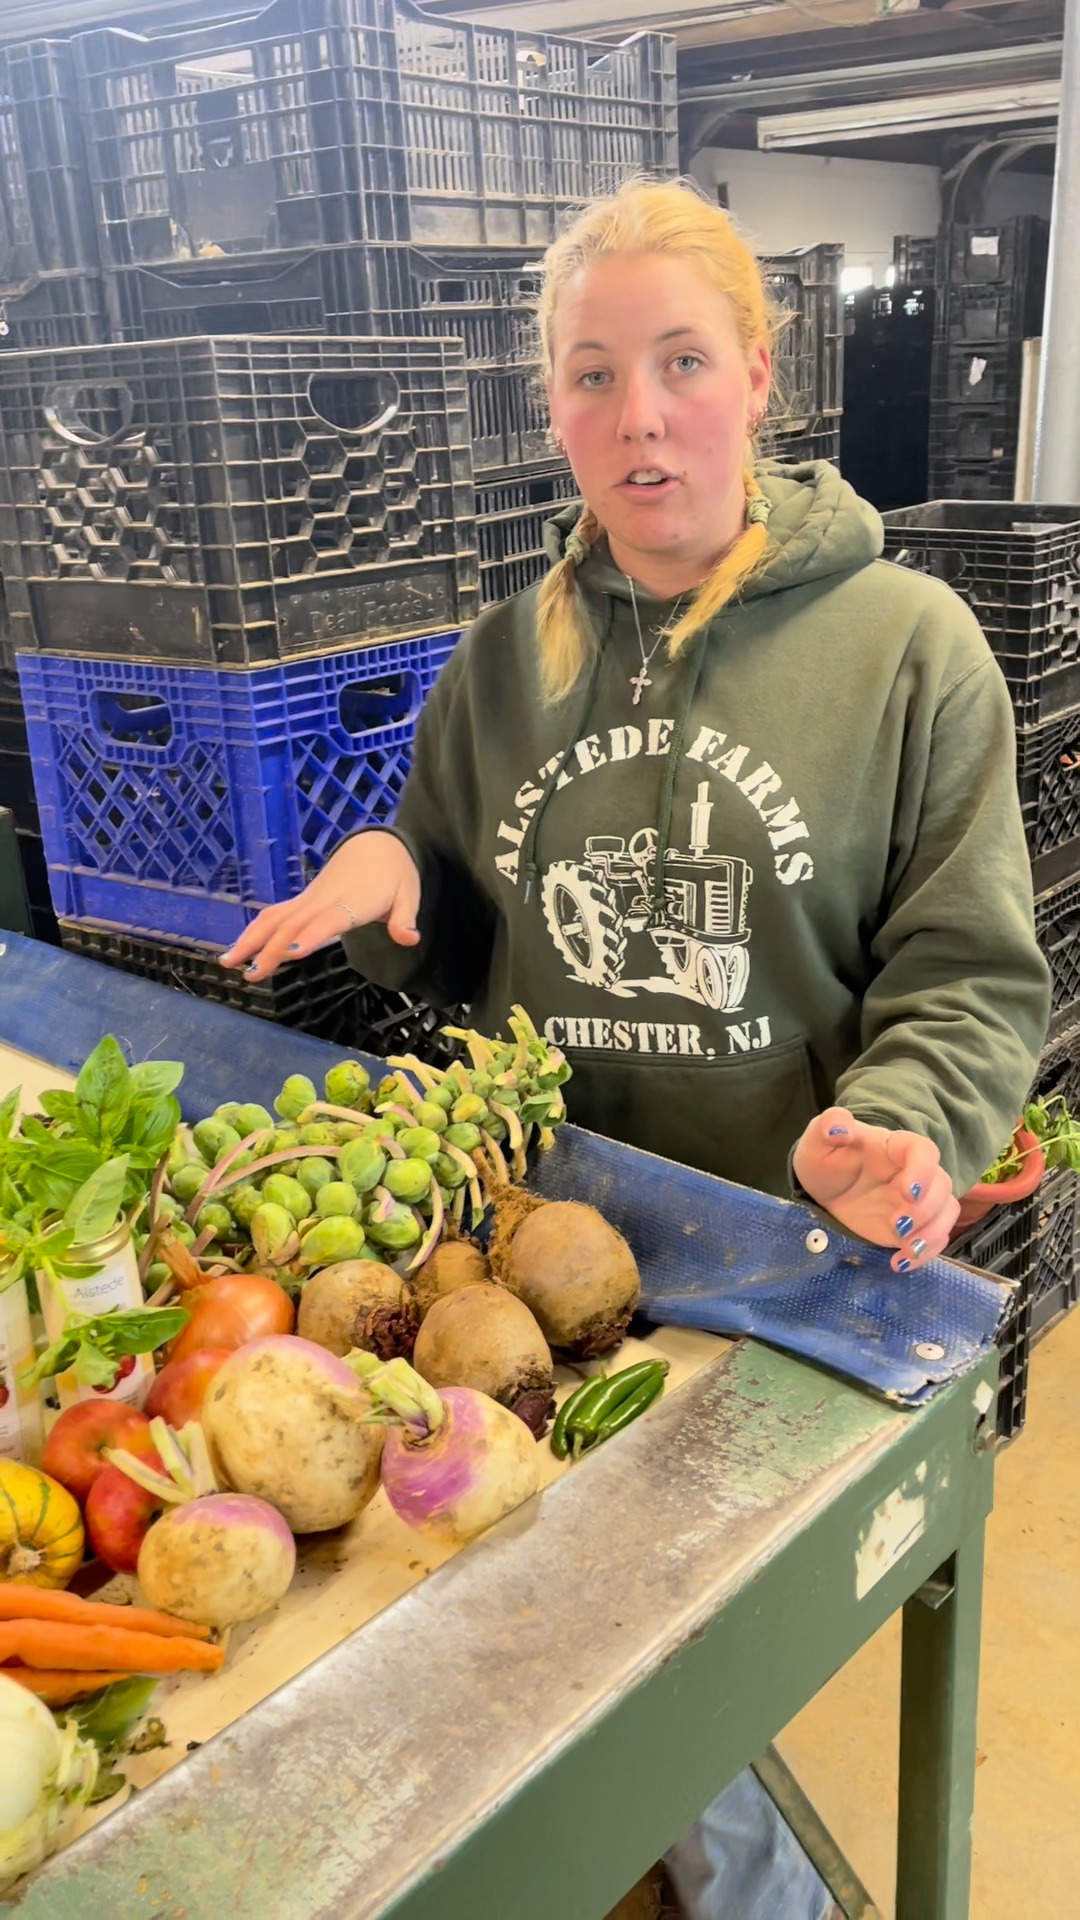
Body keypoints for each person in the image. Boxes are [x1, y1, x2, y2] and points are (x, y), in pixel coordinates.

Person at [223, 178, 1050, 1916]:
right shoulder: (509, 662)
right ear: (553, 409)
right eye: (592, 375)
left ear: (762, 374)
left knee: (683, 1688)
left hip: (784, 1279)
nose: (638, 412)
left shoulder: (911, 652)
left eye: (681, 361)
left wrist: (898, 1119)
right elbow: (458, 908)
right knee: (545, 1664)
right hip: (540, 1269)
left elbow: (971, 982)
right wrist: (393, 875)